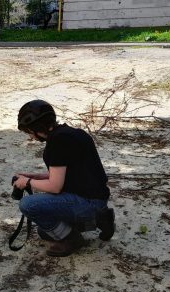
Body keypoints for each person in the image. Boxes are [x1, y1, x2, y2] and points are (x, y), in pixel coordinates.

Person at [13, 100, 115, 257]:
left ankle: (72, 240)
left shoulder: (57, 142)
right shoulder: (74, 133)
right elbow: (72, 172)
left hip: (87, 202)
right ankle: (100, 220)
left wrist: (27, 182)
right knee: (45, 231)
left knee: (28, 205)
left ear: (35, 128)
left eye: (28, 132)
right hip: (98, 199)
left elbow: (55, 186)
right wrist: (35, 176)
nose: (30, 136)